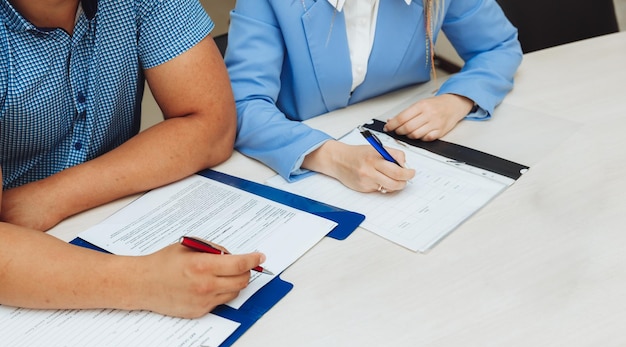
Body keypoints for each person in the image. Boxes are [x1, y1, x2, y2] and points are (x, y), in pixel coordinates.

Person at [0, 0, 265, 318]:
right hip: (20, 265)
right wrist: (146, 282)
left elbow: (212, 125)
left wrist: (49, 198)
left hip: (109, 215)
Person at [225, 0, 523, 193]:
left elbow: (497, 47)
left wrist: (456, 100)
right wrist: (332, 156)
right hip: (293, 166)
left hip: (409, 159)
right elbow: (242, 105)